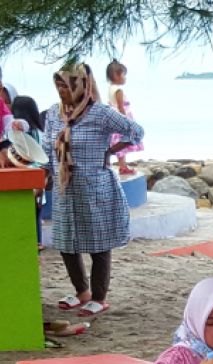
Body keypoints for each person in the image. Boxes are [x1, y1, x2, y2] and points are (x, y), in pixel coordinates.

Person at [44, 63, 143, 318]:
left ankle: (99, 297)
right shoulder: (55, 113)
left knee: (98, 244)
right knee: (66, 242)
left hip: (94, 187)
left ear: (81, 85)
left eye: (66, 85)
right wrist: (46, 172)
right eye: (58, 85)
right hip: (65, 188)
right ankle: (81, 292)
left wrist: (110, 150)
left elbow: (136, 131)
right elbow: (46, 146)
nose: (61, 90)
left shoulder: (99, 113)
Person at [11, 95, 46, 248]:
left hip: (24, 181)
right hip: (40, 180)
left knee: (24, 220)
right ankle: (37, 246)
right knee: (35, 217)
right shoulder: (40, 132)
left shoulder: (19, 134)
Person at [105, 60, 142, 176]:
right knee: (123, 143)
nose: (125, 78)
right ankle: (122, 166)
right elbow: (121, 107)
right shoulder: (118, 90)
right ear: (116, 75)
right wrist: (126, 122)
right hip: (121, 120)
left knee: (118, 144)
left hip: (114, 119)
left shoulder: (111, 88)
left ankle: (122, 165)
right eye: (124, 75)